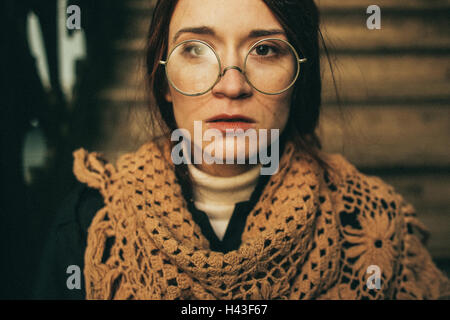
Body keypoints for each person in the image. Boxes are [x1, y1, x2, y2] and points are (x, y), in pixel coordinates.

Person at [34, 0, 449, 300]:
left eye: (265, 50)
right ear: (163, 78)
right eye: (196, 48)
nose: (231, 86)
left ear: (299, 76)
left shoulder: (373, 226)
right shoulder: (90, 229)